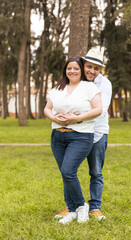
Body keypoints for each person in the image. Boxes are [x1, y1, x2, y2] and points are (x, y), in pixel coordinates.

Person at [55, 48, 112, 220]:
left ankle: (94, 207)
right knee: (68, 171)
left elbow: (100, 110)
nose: (92, 71)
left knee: (95, 171)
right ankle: (71, 206)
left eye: (96, 68)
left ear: (100, 70)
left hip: (96, 133)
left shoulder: (105, 84)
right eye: (89, 66)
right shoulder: (74, 82)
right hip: (75, 134)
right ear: (83, 65)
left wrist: (73, 117)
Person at [44, 56, 102, 224]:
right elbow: (47, 108)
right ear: (65, 70)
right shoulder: (58, 87)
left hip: (81, 136)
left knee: (68, 171)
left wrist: (77, 118)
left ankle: (81, 205)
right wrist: (54, 117)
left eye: (76, 68)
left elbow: (98, 109)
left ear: (81, 70)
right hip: (58, 136)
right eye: (69, 68)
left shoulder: (88, 87)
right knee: (65, 174)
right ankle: (71, 210)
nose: (72, 71)